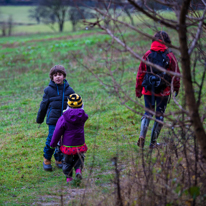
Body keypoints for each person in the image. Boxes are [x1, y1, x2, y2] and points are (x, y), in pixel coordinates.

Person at [135, 31, 180, 149]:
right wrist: (176, 87)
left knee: (148, 113)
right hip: (163, 91)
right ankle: (153, 144)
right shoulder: (170, 56)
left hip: (148, 89)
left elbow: (140, 73)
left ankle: (142, 135)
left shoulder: (147, 54)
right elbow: (176, 74)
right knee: (159, 115)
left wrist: (138, 89)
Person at [36, 65, 75, 171]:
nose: (57, 77)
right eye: (55, 75)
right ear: (52, 77)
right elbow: (43, 106)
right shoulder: (48, 90)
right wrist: (40, 119)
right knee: (52, 139)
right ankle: (47, 158)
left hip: (66, 120)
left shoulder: (69, 90)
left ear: (64, 76)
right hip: (53, 120)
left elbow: (75, 106)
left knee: (63, 140)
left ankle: (59, 159)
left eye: (60, 75)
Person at [50, 93, 88, 183]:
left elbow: (57, 132)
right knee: (79, 158)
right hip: (80, 144)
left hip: (68, 146)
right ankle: (78, 170)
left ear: (68, 105)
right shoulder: (83, 116)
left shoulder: (63, 118)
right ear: (82, 105)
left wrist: (53, 145)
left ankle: (69, 178)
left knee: (67, 162)